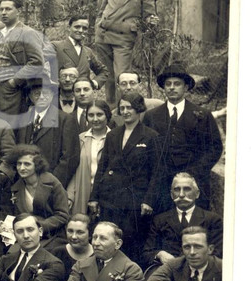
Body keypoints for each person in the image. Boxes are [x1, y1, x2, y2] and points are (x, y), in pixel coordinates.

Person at [141, 63, 223, 212]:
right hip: (161, 184)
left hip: (194, 182)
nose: (172, 88)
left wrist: (194, 173)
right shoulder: (151, 116)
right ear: (164, 87)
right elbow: (145, 149)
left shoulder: (202, 115)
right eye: (168, 84)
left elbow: (214, 148)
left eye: (177, 84)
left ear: (186, 87)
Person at [89, 91, 158, 260]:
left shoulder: (150, 136)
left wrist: (149, 200)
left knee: (131, 242)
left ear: (138, 109)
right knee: (109, 240)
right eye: (122, 108)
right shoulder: (113, 134)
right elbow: (102, 167)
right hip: (111, 199)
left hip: (135, 201)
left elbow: (156, 172)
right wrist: (94, 197)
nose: (125, 111)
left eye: (130, 108)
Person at [94, 0, 158, 103]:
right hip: (103, 36)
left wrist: (151, 22)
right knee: (107, 76)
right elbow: (101, 11)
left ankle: (123, 108)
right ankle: (111, 107)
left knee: (122, 77)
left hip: (124, 39)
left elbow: (149, 15)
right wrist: (98, 25)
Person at [142, 173, 224, 269]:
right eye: (177, 190)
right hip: (168, 270)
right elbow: (147, 253)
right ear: (172, 195)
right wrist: (159, 254)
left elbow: (217, 253)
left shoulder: (213, 220)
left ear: (197, 194)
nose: (181, 195)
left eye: (187, 189)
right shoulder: (160, 220)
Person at [0, 0, 47, 118]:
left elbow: (36, 62)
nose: (3, 13)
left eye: (8, 9)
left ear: (18, 11)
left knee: (8, 124)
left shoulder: (27, 33)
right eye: (1, 9)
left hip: (11, 89)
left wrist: (14, 82)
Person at [3, 144, 70, 250]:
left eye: (27, 164)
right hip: (25, 235)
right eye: (19, 164)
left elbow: (62, 216)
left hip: (51, 235)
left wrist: (38, 226)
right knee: (10, 251)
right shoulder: (15, 187)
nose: (22, 168)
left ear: (37, 165)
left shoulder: (52, 183)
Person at [66, 100, 112, 213]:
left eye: (99, 114)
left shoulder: (115, 138)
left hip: (107, 195)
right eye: (91, 115)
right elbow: (73, 170)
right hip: (82, 191)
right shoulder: (80, 139)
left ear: (107, 115)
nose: (95, 119)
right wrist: (70, 195)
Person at [52, 14, 109, 94]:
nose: (81, 30)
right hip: (60, 95)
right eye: (77, 27)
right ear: (69, 28)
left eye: (84, 28)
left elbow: (104, 71)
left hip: (82, 95)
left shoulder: (88, 51)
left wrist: (94, 83)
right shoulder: (56, 46)